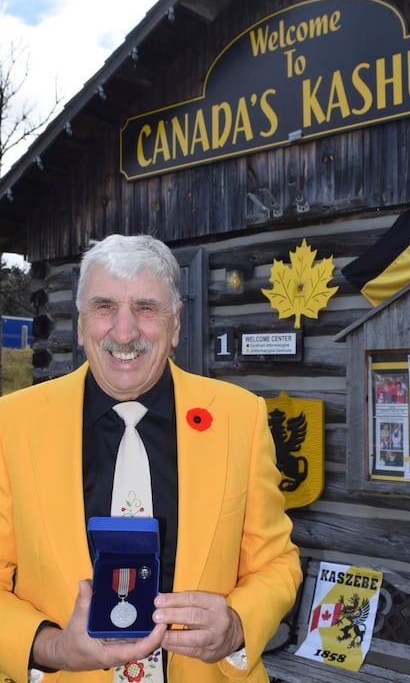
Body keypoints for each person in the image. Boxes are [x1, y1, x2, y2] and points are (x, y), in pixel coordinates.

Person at [0, 234, 302, 683]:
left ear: (176, 324)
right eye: (104, 307)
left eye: (145, 308)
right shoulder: (11, 424)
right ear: (81, 324)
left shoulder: (241, 417)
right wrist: (50, 647)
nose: (124, 333)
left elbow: (277, 562)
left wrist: (237, 626)